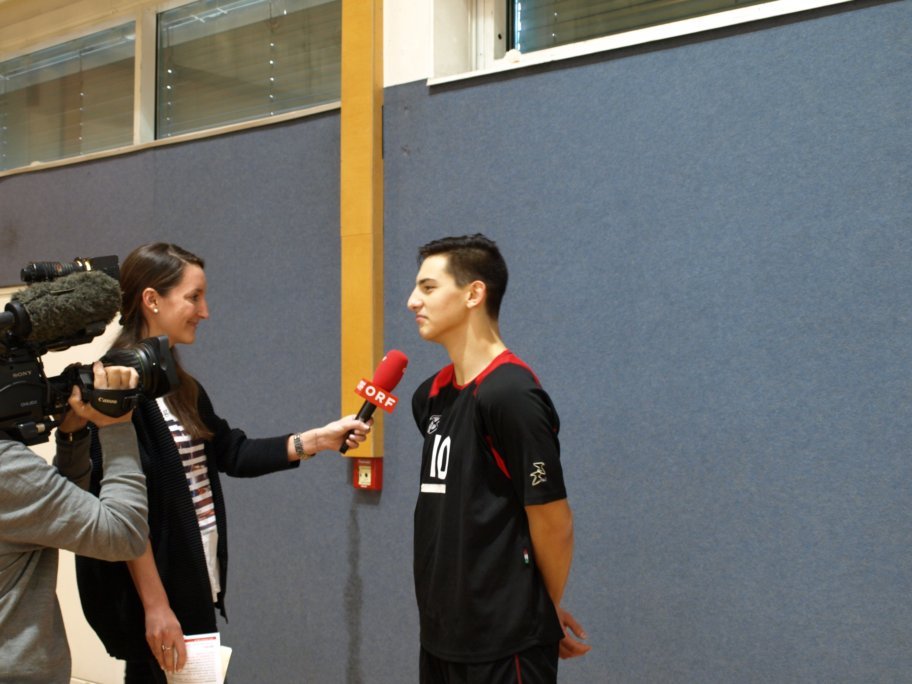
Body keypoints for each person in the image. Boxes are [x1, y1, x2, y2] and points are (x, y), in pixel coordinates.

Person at [75, 243, 371, 683]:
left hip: (193, 576)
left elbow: (231, 452)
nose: (205, 311)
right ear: (152, 300)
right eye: (193, 297)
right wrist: (156, 606)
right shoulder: (115, 385)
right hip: (157, 593)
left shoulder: (179, 384)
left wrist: (318, 440)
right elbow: (125, 514)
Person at [407, 234, 590, 683]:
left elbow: (554, 522)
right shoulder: (429, 396)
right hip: (440, 639)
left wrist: (541, 609)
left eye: (428, 288)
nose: (412, 301)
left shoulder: (510, 394)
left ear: (474, 293)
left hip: (504, 646)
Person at [0, 363, 149, 684]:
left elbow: (53, 517)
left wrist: (73, 437)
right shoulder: (8, 469)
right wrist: (117, 426)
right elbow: (124, 534)